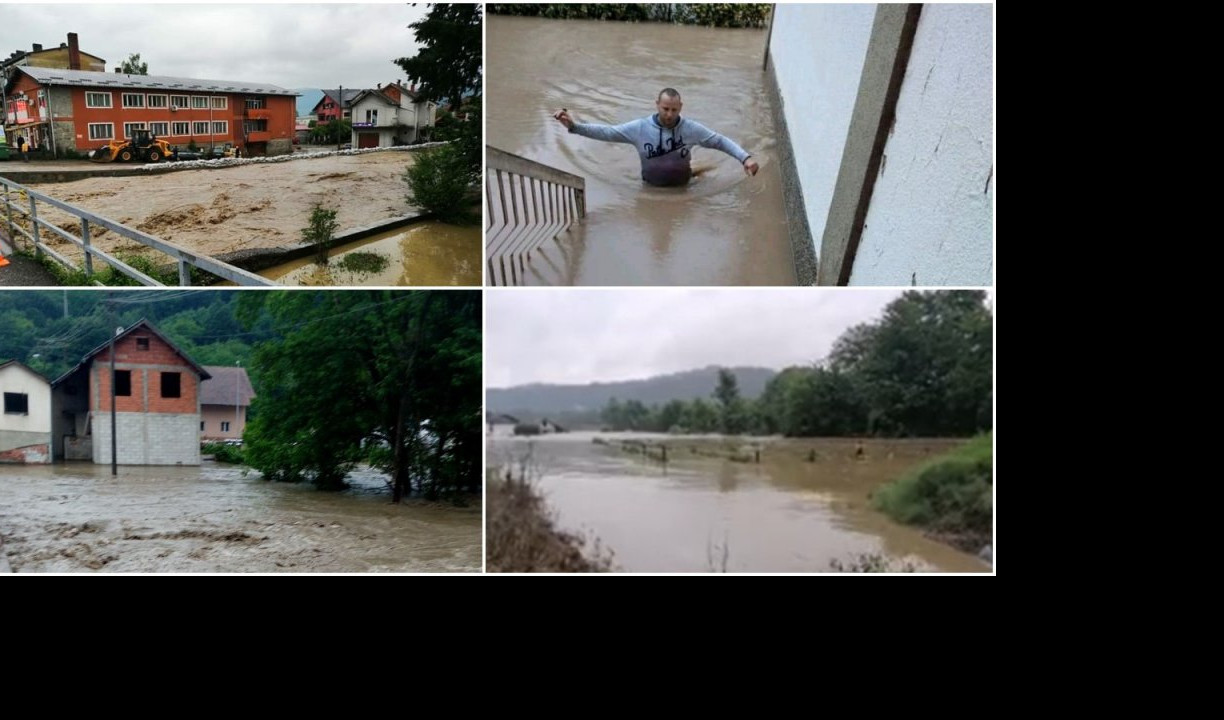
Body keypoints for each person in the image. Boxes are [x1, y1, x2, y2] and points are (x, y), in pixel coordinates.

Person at [554, 88, 759, 187]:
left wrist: (745, 158)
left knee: (693, 171)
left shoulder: (690, 129)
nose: (669, 114)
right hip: (650, 185)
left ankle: (697, 170)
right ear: (656, 105)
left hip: (683, 186)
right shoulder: (639, 128)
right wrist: (574, 126)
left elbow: (719, 141)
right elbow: (608, 132)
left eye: (674, 110)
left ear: (681, 107)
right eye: (665, 109)